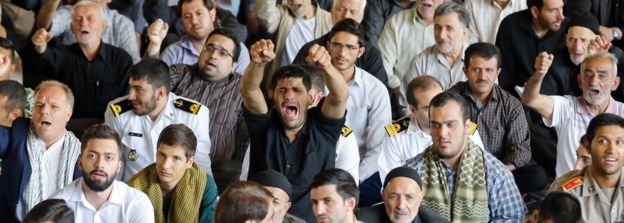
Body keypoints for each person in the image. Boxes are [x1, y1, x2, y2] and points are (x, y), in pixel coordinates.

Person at [241, 39, 348, 221]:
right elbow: (249, 91)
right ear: (272, 96)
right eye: (282, 90)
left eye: (297, 90)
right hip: (261, 219)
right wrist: (257, 63)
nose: (289, 95)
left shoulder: (324, 129)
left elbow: (340, 96)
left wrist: (327, 66)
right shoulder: (264, 125)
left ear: (310, 98)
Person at [406, 91, 526, 222]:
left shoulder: (496, 174)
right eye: (436, 125)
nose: (442, 133)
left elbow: (513, 218)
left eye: (450, 124)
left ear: (467, 127)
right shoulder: (413, 170)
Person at [448, 42, 546, 194]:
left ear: (498, 72)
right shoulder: (451, 99)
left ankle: (488, 189)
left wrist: (497, 172)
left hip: (500, 168)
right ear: (465, 71)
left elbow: (520, 149)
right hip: (460, 168)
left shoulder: (511, 104)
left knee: (537, 176)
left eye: (489, 70)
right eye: (476, 70)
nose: (483, 77)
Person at [104, 58, 212, 181]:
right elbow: (113, 163)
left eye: (139, 89)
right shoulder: (118, 113)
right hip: (133, 192)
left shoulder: (194, 116)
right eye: (131, 87)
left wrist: (209, 199)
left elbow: (202, 166)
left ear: (160, 93)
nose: (131, 96)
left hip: (177, 193)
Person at [322, 19, 391, 204]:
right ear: (328, 46)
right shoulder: (313, 81)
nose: (342, 53)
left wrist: (351, 181)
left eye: (350, 47)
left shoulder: (376, 89)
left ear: (360, 52)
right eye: (336, 45)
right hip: (317, 161)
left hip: (359, 171)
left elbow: (378, 148)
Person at [522, 52, 624, 177]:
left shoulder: (622, 112)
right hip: (569, 192)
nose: (593, 82)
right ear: (580, 81)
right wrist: (539, 74)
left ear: (615, 83)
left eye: (602, 75)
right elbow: (530, 99)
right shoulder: (567, 107)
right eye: (588, 74)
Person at [30, 0, 133, 119]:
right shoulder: (63, 55)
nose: (83, 23)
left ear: (103, 26)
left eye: (90, 19)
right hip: (69, 127)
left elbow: (128, 99)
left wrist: (110, 121)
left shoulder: (121, 59)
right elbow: (44, 57)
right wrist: (40, 45)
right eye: (78, 19)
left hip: (109, 127)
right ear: (71, 27)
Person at [0, 80, 82, 223]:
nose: (44, 110)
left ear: (68, 114)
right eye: (39, 105)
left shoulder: (81, 152)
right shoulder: (18, 134)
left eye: (54, 106)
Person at [377, 75, 485, 182]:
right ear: (413, 110)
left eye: (440, 103)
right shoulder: (396, 137)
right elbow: (391, 183)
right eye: (429, 108)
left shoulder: (465, 128)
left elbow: (480, 171)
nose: (438, 111)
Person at [168, 28, 248, 162]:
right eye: (209, 48)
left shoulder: (242, 89)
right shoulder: (181, 73)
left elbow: (243, 139)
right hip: (168, 162)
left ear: (233, 65)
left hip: (215, 171)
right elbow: (154, 87)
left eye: (223, 53)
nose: (213, 56)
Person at [51, 123, 154, 222]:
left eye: (108, 157)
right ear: (80, 162)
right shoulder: (57, 205)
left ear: (119, 166)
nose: (99, 164)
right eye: (92, 156)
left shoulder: (137, 204)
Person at [293, 0, 389, 95]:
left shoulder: (371, 55)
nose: (346, 15)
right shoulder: (310, 50)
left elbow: (382, 94)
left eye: (353, 12)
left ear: (362, 16)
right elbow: (292, 89)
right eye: (341, 9)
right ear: (331, 11)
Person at [129, 124, 218, 223]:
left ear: (190, 162)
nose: (165, 165)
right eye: (162, 155)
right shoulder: (134, 188)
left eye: (176, 158)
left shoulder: (204, 186)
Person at [548, 113, 624, 222]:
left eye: (619, 142)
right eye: (603, 141)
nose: (611, 150)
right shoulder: (565, 192)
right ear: (589, 148)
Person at [144, 0, 251, 75]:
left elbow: (241, 93)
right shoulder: (173, 52)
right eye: (187, 16)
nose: (194, 21)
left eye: (199, 13)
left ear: (212, 14)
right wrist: (154, 45)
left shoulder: (238, 51)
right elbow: (153, 83)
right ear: (182, 21)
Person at [377, 0, 442, 115]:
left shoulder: (451, 26)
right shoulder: (396, 22)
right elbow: (383, 64)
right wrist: (397, 89)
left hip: (440, 105)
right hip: (399, 101)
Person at [547, 12, 624, 101]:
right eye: (572, 39)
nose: (577, 48)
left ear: (597, 40)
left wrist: (597, 60)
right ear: (566, 40)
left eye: (583, 40)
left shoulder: (617, 57)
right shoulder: (554, 61)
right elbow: (548, 101)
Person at [495, 0, 566, 94]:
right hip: (518, 99)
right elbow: (504, 77)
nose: (561, 16)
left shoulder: (567, 28)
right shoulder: (510, 26)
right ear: (535, 11)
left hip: (557, 101)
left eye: (561, 8)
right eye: (552, 10)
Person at [36, 0, 141, 63]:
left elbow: (133, 64)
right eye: (78, 19)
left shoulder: (123, 23)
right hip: (70, 74)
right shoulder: (70, 12)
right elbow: (44, 26)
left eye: (91, 19)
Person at [254, 0, 333, 83]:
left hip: (313, 87)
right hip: (280, 83)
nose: (293, 1)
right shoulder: (283, 13)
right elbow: (265, 16)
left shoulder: (328, 20)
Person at [357, 167, 449, 223]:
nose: (401, 205)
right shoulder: (359, 219)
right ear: (383, 196)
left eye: (409, 197)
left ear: (420, 198)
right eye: (394, 196)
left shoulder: (434, 221)